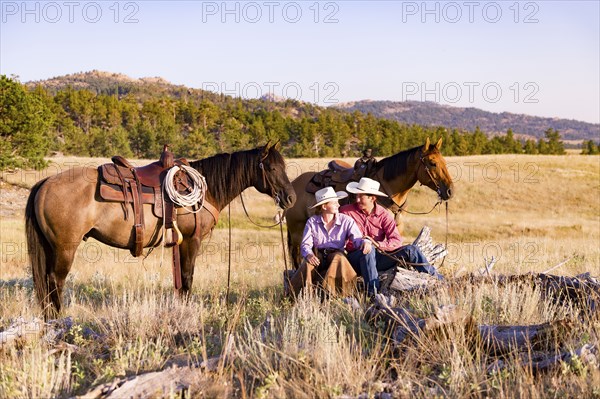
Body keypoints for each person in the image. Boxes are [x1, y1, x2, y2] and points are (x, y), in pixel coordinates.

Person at [341, 177, 443, 295]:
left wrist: (378, 244)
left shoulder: (383, 214)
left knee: (411, 250)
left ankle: (437, 280)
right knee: (367, 251)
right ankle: (373, 293)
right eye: (356, 196)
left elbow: (396, 240)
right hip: (356, 258)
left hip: (379, 256)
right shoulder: (345, 211)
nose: (357, 199)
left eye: (361, 196)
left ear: (372, 198)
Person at [288, 186, 371, 297]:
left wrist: (365, 242)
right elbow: (306, 244)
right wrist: (309, 254)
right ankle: (301, 296)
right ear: (324, 206)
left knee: (339, 259)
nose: (339, 205)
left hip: (337, 253)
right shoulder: (312, 222)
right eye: (334, 203)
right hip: (319, 254)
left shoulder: (346, 220)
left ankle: (338, 294)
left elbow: (356, 239)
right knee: (308, 265)